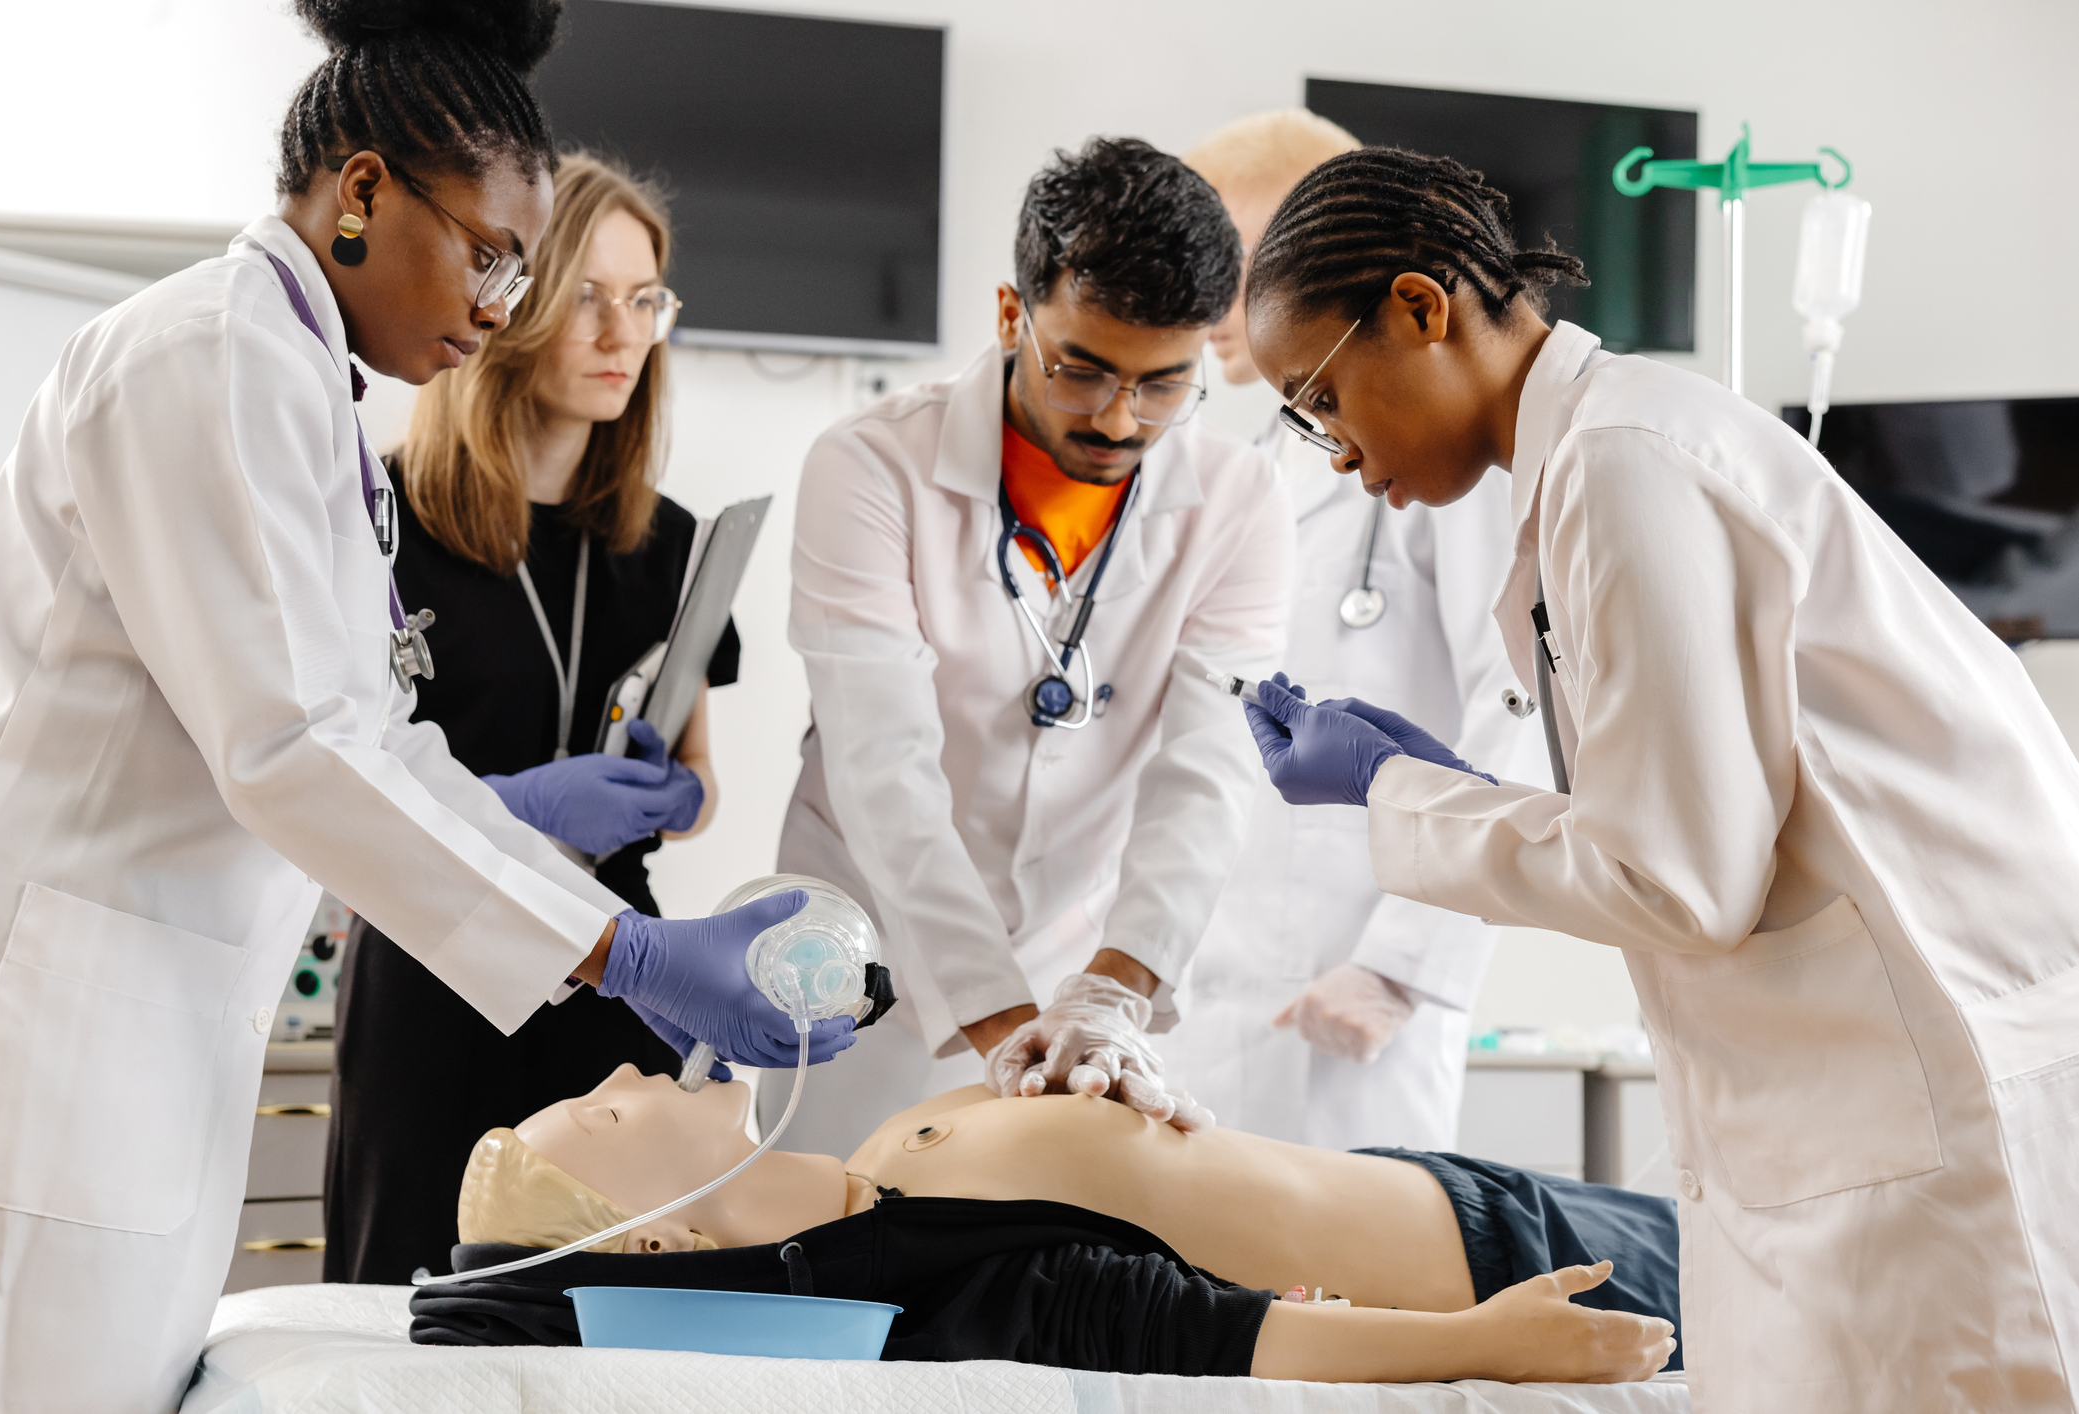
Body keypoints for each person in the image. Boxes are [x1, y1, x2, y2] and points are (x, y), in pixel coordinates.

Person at [0, 4, 851, 1409]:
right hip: (64, 1013)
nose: (504, 307)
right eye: (496, 256)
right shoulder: (209, 353)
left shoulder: (300, 382)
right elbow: (298, 746)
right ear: (363, 188)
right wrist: (620, 947)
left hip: (140, 1012)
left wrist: (607, 922)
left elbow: (358, 735)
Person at [1235, 146, 2079, 1412]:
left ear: (1420, 308)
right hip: (1859, 1088)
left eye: (1322, 397)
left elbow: (1680, 879)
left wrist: (1398, 790)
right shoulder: (1611, 449)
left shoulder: (1626, 461)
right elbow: (1683, 828)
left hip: (1915, 1103)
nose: (1335, 451)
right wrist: (1429, 781)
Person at [771, 138, 1293, 1154]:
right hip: (864, 958)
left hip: (1071, 970)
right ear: (1013, 314)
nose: (1118, 418)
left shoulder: (1240, 500)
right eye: (1083, 370)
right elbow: (884, 770)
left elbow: (1208, 773)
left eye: (1163, 384)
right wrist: (1009, 1031)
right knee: (828, 1243)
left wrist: (1111, 995)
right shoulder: (873, 468)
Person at [325, 152, 742, 1284]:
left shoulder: (670, 544)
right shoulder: (386, 513)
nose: (622, 332)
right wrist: (510, 808)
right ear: (513, 303)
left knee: (604, 1308)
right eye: (589, 297)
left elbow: (702, 780)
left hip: (618, 972)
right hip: (432, 968)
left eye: (645, 299)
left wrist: (675, 793)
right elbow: (325, 772)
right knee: (412, 1298)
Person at [413, 1063, 1680, 1385]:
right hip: (1523, 1260)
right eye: (607, 1116)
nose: (627, 1077)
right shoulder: (920, 1278)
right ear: (658, 1241)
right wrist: (1489, 1343)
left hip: (1461, 1180)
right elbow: (1221, 1338)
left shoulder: (874, 1165)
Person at [1158, 111, 1547, 1151]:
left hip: (1357, 986)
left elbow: (1520, 703)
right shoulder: (1268, 452)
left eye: (1224, 254)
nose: (1201, 296)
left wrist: (1406, 961)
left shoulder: (1439, 446)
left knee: (1357, 1289)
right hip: (1218, 980)